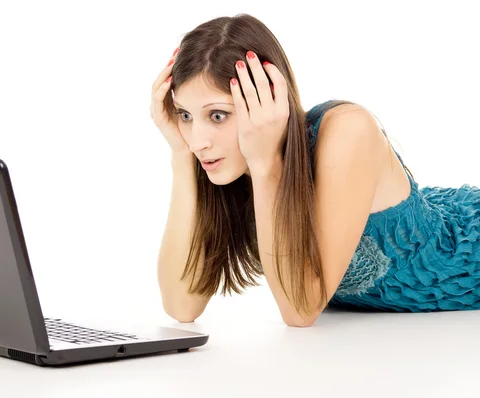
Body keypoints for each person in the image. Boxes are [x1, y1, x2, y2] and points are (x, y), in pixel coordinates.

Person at [150, 13, 480, 327]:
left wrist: (266, 164)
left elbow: (300, 311)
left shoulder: (347, 131)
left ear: (269, 98)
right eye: (185, 115)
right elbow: (182, 306)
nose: (197, 141)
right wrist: (179, 155)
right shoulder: (220, 163)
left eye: (217, 115)